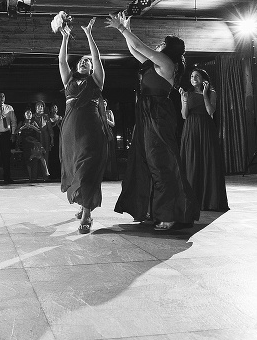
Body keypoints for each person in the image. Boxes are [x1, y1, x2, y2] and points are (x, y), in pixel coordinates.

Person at [107, 12, 198, 231]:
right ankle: (152, 209)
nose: (158, 45)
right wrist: (125, 29)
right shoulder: (154, 64)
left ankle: (170, 213)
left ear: (169, 49)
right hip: (146, 114)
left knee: (161, 162)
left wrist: (122, 29)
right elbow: (134, 49)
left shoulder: (167, 63)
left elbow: (139, 44)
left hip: (158, 114)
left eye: (162, 43)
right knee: (146, 160)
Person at [57, 16, 110, 234]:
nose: (84, 62)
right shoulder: (69, 80)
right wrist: (65, 38)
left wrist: (89, 35)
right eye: (82, 61)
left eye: (87, 61)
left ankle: (87, 213)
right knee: (76, 169)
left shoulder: (96, 80)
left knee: (88, 169)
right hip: (70, 131)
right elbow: (61, 61)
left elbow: (96, 57)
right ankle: (83, 204)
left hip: (91, 129)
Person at [179, 69, 229, 211]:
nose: (193, 78)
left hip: (206, 128)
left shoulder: (211, 92)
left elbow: (210, 111)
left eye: (197, 76)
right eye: (191, 76)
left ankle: (209, 200)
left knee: (208, 161)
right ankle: (191, 198)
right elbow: (184, 115)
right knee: (191, 161)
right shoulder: (187, 93)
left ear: (203, 79)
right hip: (190, 128)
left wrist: (205, 94)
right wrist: (184, 100)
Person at [18, 108, 49, 182]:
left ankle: (46, 172)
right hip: (26, 143)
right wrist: (22, 128)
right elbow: (17, 131)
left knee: (40, 156)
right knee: (28, 160)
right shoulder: (22, 122)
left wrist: (33, 127)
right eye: (27, 113)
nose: (29, 115)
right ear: (24, 115)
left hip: (34, 143)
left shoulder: (33, 122)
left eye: (30, 113)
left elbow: (39, 131)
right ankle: (30, 177)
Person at [47, 103, 63, 181]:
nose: (54, 109)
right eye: (53, 107)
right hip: (51, 138)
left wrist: (58, 124)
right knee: (52, 156)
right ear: (50, 109)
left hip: (59, 138)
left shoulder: (60, 118)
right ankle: (52, 174)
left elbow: (62, 128)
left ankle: (59, 173)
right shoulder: (48, 118)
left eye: (55, 107)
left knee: (59, 155)